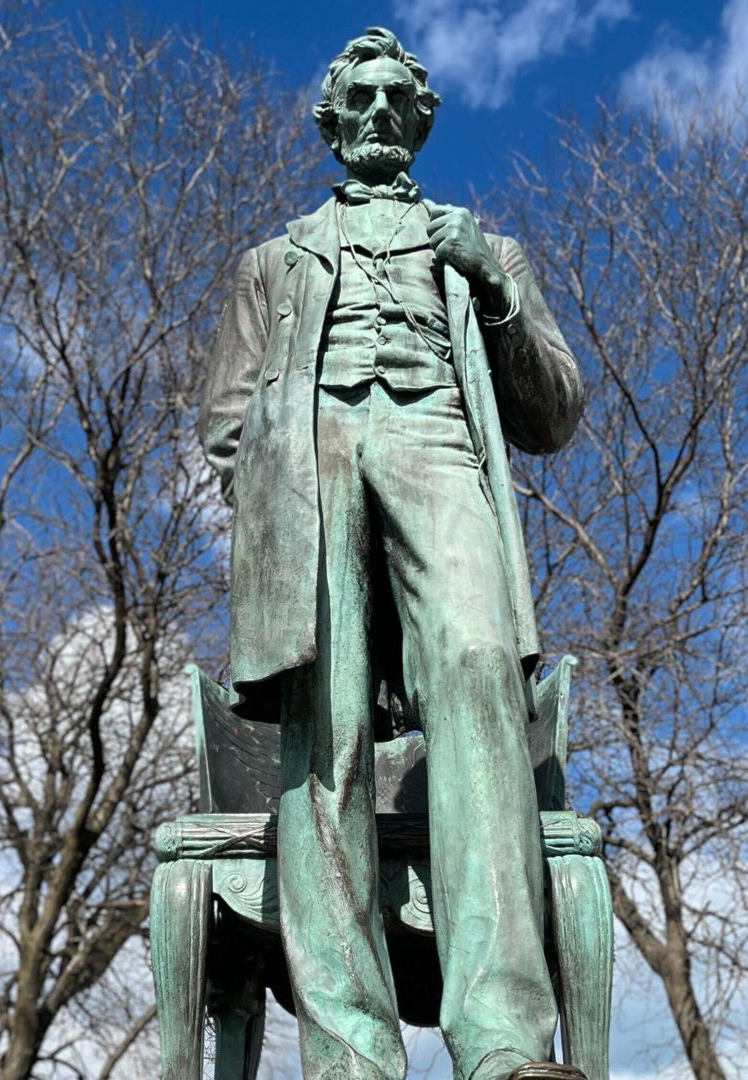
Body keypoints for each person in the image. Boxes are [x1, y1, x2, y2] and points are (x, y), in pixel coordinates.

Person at [198, 26, 586, 1080]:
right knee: (322, 740)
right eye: (355, 97)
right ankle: (348, 1052)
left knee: (476, 669)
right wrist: (279, 495)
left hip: (439, 448)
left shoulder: (487, 251)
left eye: (393, 97)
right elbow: (225, 419)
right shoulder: (271, 263)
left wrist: (489, 291)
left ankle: (505, 1042)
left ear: (420, 117)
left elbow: (553, 413)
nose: (374, 111)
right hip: (307, 470)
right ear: (331, 121)